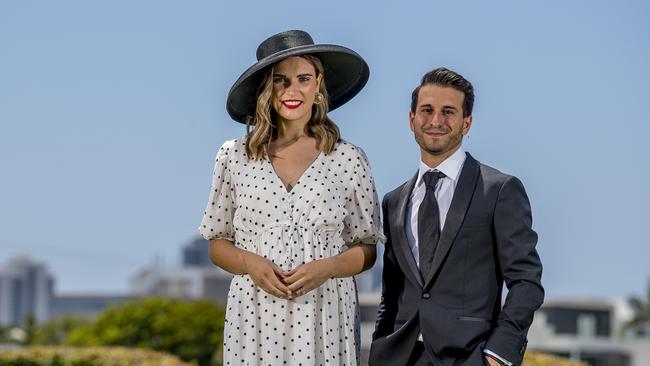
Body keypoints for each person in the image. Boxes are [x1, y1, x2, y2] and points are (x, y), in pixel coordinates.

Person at [199, 30, 383, 365]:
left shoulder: (349, 158)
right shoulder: (233, 156)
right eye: (280, 81)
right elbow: (217, 242)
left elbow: (367, 249)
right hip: (254, 310)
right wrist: (249, 264)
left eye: (302, 79)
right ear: (266, 90)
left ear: (318, 83)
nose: (292, 91)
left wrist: (328, 267)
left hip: (325, 308)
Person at [369, 67, 544, 366]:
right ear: (411, 120)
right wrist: (379, 351)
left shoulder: (499, 191)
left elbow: (527, 282)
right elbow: (393, 292)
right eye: (427, 110)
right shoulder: (393, 201)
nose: (436, 121)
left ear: (467, 123)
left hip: (470, 356)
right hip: (401, 358)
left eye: (448, 111)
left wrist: (498, 355)